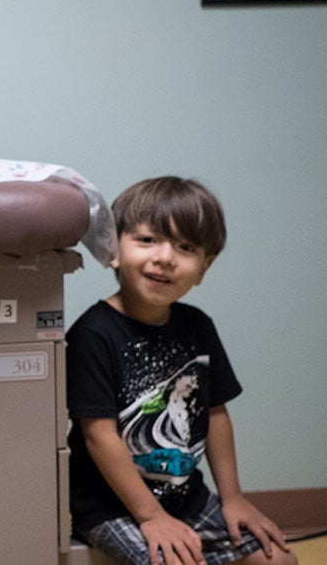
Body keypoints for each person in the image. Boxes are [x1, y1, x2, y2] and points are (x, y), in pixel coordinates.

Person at [66, 177, 297, 565]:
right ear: (114, 249)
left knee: (279, 560)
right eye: (147, 240)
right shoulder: (93, 333)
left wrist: (233, 497)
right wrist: (152, 517)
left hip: (184, 497)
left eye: (186, 247)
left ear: (204, 267)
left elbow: (216, 414)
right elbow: (98, 437)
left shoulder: (197, 326)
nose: (165, 257)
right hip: (109, 504)